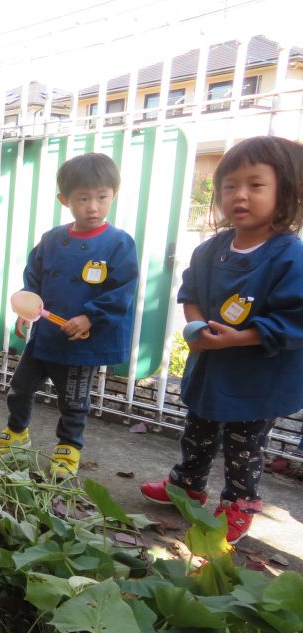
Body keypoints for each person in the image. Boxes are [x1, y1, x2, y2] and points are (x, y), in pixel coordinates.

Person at [141, 136, 303, 544]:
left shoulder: (289, 256)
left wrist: (237, 339)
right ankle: (187, 484)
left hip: (256, 374)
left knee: (243, 444)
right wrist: (196, 327)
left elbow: (295, 320)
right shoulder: (211, 249)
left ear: (287, 190)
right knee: (197, 428)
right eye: (229, 186)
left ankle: (239, 502)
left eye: (255, 184)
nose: (239, 196)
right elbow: (190, 295)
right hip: (212, 361)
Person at [0, 152, 139, 478]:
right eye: (83, 198)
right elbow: (33, 279)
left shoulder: (119, 243)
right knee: (19, 389)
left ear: (113, 195)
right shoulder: (52, 239)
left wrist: (91, 316)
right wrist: (25, 312)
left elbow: (122, 290)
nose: (93, 206)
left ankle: (69, 447)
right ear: (65, 200)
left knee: (74, 401)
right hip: (44, 337)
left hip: (80, 342)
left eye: (102, 197)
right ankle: (17, 432)